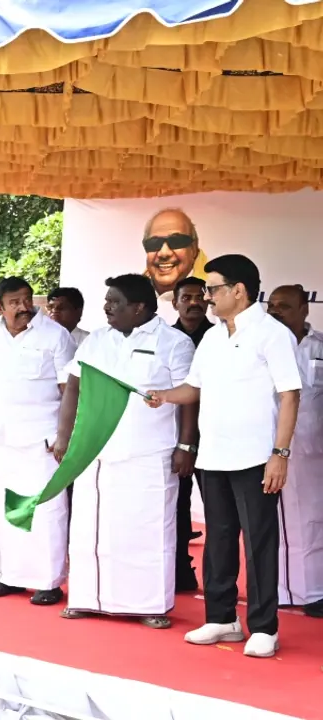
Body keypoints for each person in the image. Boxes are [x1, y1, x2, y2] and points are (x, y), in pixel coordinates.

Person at [147, 254, 301, 659]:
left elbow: (290, 394)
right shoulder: (213, 337)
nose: (208, 297)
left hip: (255, 457)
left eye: (214, 288)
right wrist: (163, 395)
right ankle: (222, 618)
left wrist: (279, 454)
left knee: (260, 543)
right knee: (218, 541)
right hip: (212, 455)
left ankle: (264, 627)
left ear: (239, 290)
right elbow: (193, 388)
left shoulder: (272, 334)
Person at [55, 274, 197, 629]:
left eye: (114, 302)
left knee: (148, 528)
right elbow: (74, 385)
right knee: (92, 526)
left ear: (139, 308)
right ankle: (88, 598)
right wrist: (65, 437)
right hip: (96, 447)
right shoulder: (97, 341)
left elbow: (189, 397)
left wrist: (185, 445)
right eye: (107, 300)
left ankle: (150, 603)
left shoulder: (174, 343)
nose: (107, 308)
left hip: (149, 451)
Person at [0, 277, 77, 605]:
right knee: (9, 508)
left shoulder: (55, 335)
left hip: (43, 438)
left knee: (46, 509)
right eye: (14, 302)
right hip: (2, 436)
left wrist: (65, 436)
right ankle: (9, 575)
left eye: (27, 300)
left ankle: (49, 580)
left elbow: (68, 389)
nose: (23, 307)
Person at [266, 284, 323, 613]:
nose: (275, 311)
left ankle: (315, 593)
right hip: (275, 450)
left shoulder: (319, 345)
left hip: (314, 451)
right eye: (272, 306)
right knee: (276, 522)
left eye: (284, 306)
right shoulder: (266, 346)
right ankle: (282, 592)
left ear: (305, 308)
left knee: (315, 521)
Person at [172, 275, 214, 592]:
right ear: (175, 303)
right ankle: (179, 570)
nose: (194, 302)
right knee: (176, 505)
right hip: (174, 436)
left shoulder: (220, 337)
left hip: (216, 434)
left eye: (200, 296)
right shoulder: (164, 339)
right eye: (186, 297)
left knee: (219, 510)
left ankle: (218, 576)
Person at [141, 208, 208, 300]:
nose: (164, 253)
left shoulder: (215, 296)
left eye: (176, 242)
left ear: (193, 249)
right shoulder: (129, 296)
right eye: (154, 243)